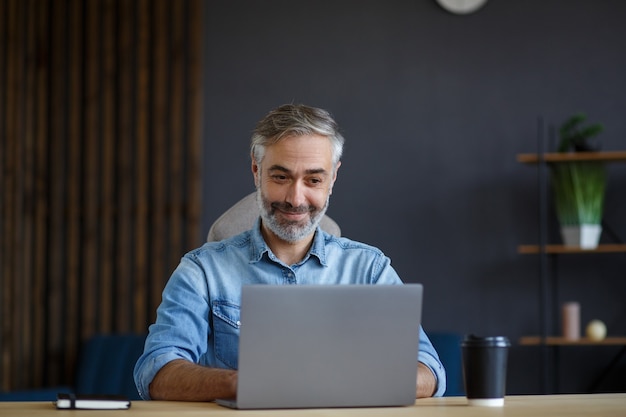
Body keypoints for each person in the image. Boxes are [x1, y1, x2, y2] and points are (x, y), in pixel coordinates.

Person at [133, 104, 446, 400]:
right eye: (281, 177)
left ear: (333, 178)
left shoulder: (369, 270)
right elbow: (156, 371)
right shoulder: (201, 271)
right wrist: (242, 383)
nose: (296, 199)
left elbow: (429, 372)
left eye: (313, 179)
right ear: (256, 171)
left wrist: (335, 383)